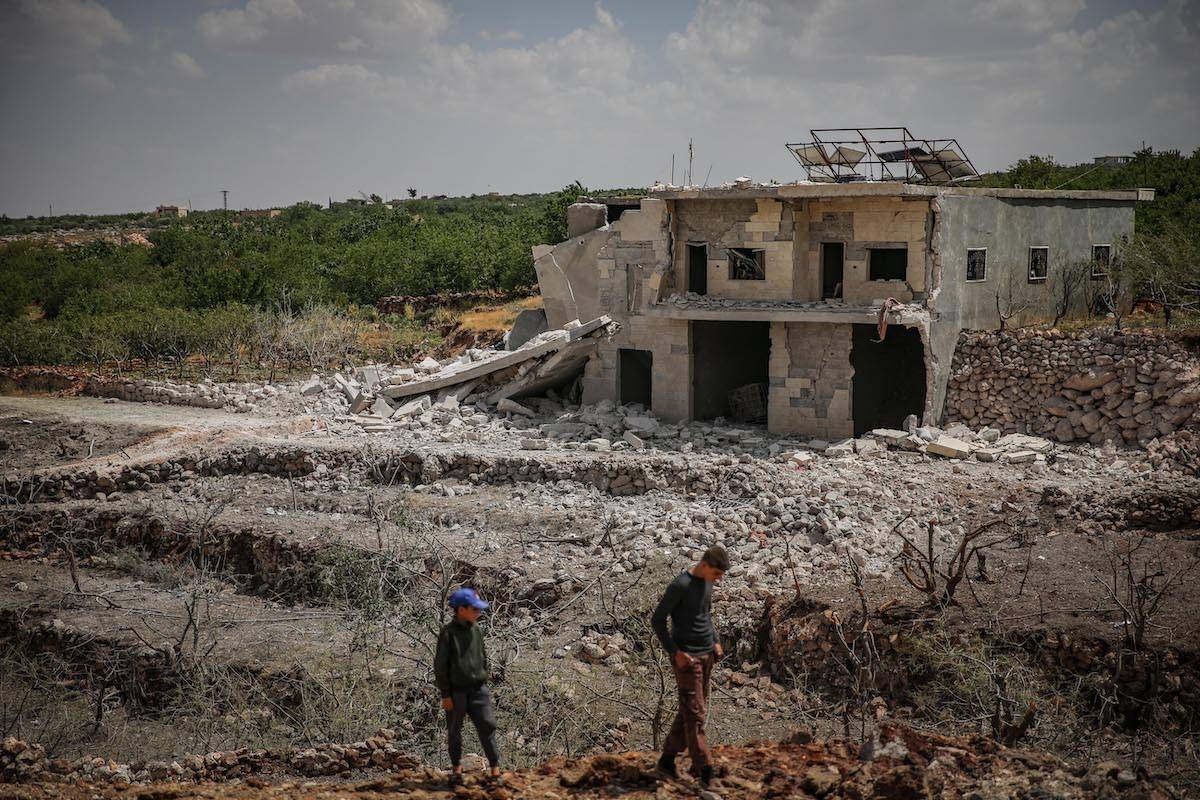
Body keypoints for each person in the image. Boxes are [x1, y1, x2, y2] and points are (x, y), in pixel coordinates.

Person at [650, 544, 730, 787]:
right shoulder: (680, 586)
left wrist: (715, 642)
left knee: (691, 711)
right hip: (688, 660)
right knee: (695, 717)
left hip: (707, 656)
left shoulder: (707, 583)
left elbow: (705, 615)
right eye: (716, 574)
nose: (718, 580)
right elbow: (657, 620)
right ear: (704, 565)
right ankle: (705, 774)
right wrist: (676, 653)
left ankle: (666, 762)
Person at [433, 587, 501, 783]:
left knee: (487, 726)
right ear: (461, 609)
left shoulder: (477, 630)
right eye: (474, 609)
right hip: (456, 692)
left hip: (478, 689)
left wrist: (483, 677)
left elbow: (483, 658)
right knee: (454, 731)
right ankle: (456, 771)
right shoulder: (448, 633)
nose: (478, 613)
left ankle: (495, 770)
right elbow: (440, 665)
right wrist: (445, 693)